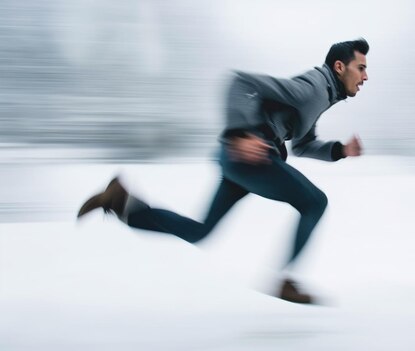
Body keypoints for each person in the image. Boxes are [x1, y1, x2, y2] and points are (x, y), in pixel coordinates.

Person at [77, 38, 369, 304]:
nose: (365, 76)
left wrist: (340, 151)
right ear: (339, 66)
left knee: (200, 232)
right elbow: (240, 83)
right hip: (249, 156)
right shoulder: (313, 89)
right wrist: (240, 133)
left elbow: (303, 144)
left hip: (240, 160)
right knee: (315, 201)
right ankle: (285, 282)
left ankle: (122, 203)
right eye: (361, 68)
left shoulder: (322, 94)